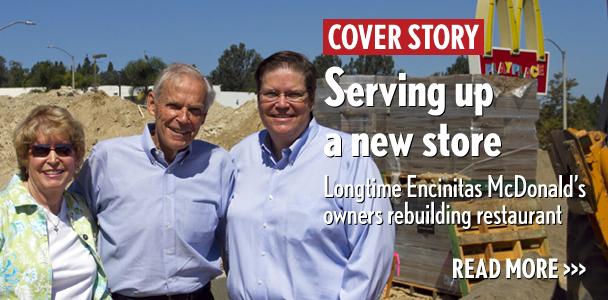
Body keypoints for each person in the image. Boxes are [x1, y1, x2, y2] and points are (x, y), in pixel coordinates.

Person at [226, 51, 395, 299]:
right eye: (271, 93)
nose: (281, 103)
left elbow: (372, 251)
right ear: (258, 98)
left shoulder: (348, 158)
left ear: (311, 99)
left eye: (294, 94)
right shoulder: (238, 157)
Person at [71, 63, 234, 299]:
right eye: (174, 106)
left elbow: (230, 242)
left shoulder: (218, 164)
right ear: (152, 104)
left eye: (195, 110)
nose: (183, 118)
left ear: (204, 117)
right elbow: (74, 221)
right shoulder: (107, 159)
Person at [0, 105, 110, 299]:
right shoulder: (5, 213)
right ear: (26, 157)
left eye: (63, 150)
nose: (53, 159)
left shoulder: (80, 210)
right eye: (41, 150)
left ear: (76, 157)